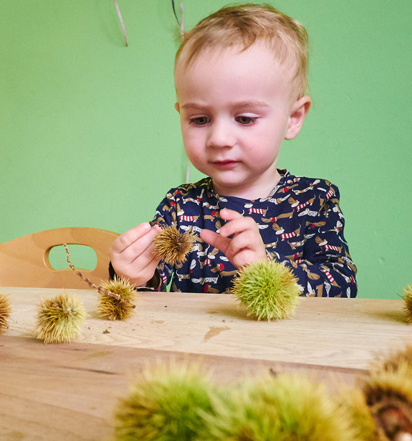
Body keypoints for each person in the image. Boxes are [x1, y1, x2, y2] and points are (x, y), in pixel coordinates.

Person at [109, 3, 357, 297]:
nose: (219, 138)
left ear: (293, 119)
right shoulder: (180, 205)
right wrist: (131, 274)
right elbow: (151, 289)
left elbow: (342, 286)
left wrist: (267, 268)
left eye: (244, 118)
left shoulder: (314, 201)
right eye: (200, 119)